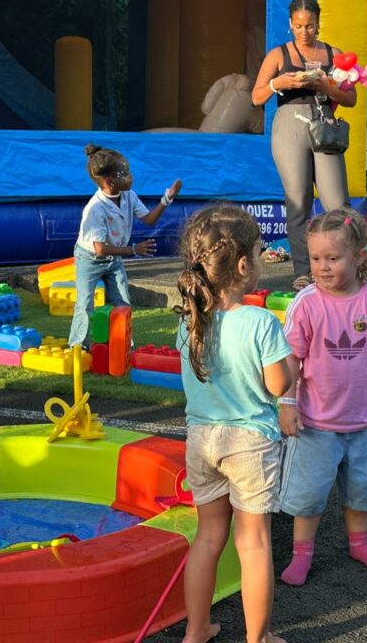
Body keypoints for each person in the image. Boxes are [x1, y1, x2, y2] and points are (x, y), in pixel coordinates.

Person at [174, 205, 293, 643]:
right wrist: (292, 367)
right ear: (243, 265)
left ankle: (196, 630)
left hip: (202, 440)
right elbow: (278, 385)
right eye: (259, 253)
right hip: (249, 444)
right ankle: (258, 638)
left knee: (208, 538)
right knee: (253, 543)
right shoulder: (260, 321)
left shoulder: (189, 322)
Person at [277, 207, 367, 586]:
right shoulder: (307, 303)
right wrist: (287, 403)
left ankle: (360, 544)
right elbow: (291, 359)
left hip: (364, 420)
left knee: (361, 491)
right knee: (309, 495)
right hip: (315, 422)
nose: (323, 267)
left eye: (333, 258)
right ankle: (301, 554)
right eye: (316, 258)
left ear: (359, 257)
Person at [252, 0, 357, 292]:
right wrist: (279, 84)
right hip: (290, 125)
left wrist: (326, 86)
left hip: (324, 125)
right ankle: (303, 271)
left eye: (309, 26)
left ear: (318, 24)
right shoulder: (279, 54)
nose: (304, 32)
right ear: (290, 24)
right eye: (298, 26)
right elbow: (256, 97)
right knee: (298, 201)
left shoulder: (333, 53)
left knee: (337, 203)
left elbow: (351, 98)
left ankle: (346, 266)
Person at [67, 144, 180, 348]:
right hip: (90, 259)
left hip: (114, 259)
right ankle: (78, 347)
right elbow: (100, 248)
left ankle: (123, 344)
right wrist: (134, 250)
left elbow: (149, 220)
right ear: (110, 182)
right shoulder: (95, 209)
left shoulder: (129, 196)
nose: (130, 177)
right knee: (84, 304)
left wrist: (166, 199)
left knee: (123, 303)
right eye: (125, 174)